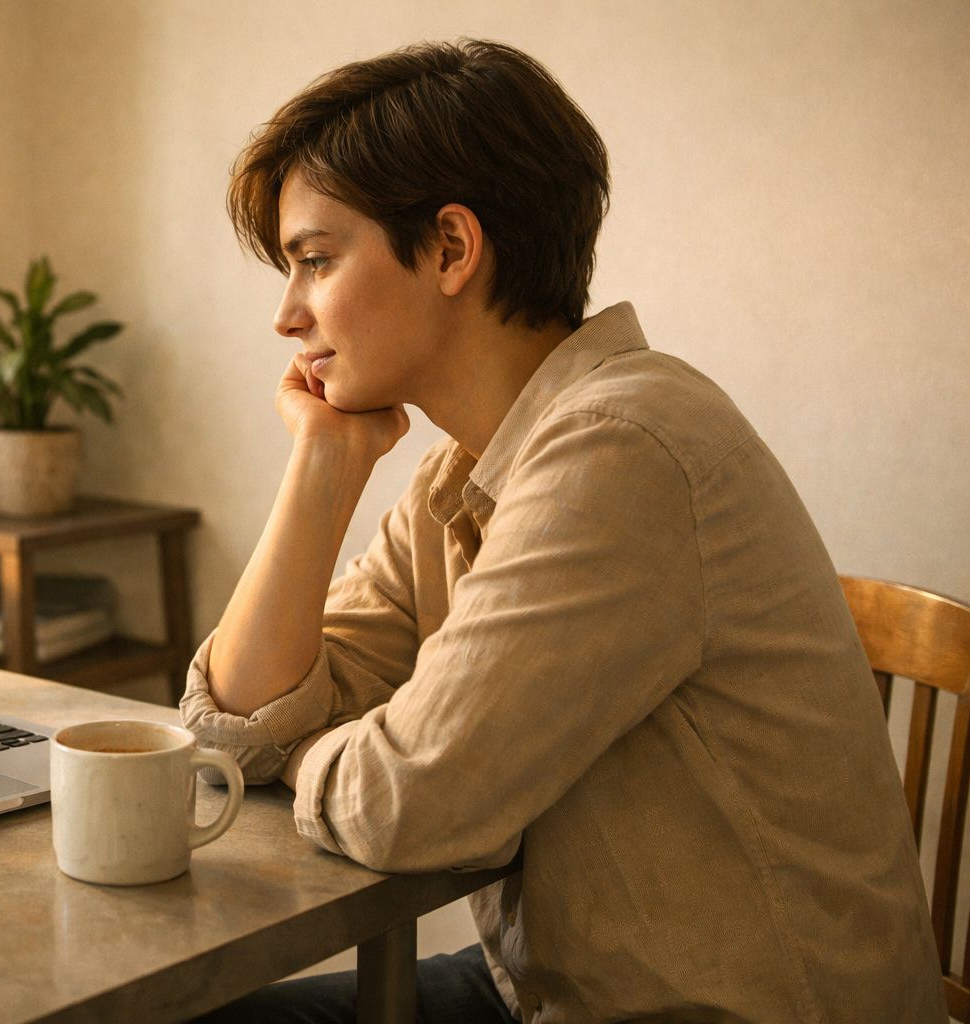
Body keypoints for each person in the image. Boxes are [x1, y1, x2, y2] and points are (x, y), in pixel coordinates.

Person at [182, 39, 943, 1023]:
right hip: (544, 992)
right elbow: (230, 732)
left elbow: (410, 801)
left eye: (316, 261)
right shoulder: (462, 475)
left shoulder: (623, 446)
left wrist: (309, 746)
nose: (288, 315)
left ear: (452, 248)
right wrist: (323, 465)